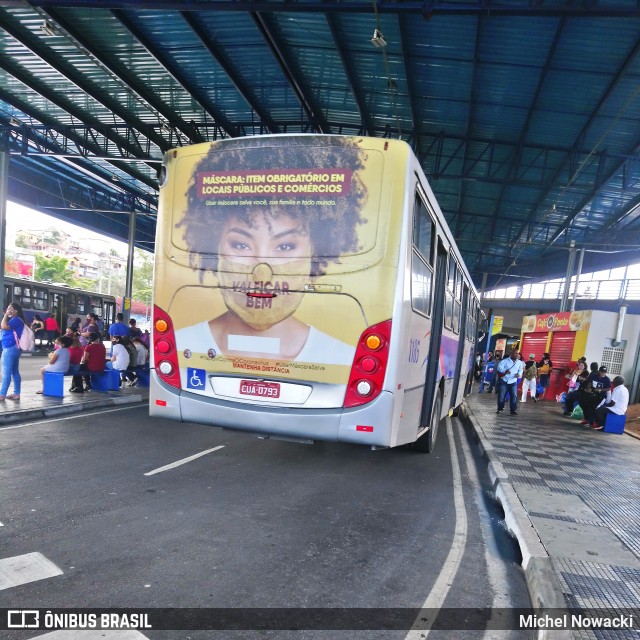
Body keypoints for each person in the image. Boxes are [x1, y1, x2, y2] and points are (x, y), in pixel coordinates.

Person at [175, 136, 367, 364]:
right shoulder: (181, 344)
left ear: (314, 253)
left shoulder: (344, 357)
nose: (261, 274)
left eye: (285, 246)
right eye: (241, 245)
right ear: (214, 246)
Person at [0, 302, 27, 401]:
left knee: (6, 372)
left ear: (16, 311)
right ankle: (16, 393)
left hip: (10, 348)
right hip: (14, 348)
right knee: (14, 371)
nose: (8, 310)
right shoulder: (16, 320)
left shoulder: (16, 320)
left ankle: (2, 394)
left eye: (10, 308)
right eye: (7, 308)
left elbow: (4, 326)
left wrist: (6, 315)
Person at [496, 348, 525, 415]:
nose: (516, 355)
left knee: (514, 396)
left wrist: (519, 374)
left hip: (513, 381)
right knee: (501, 396)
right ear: (511, 354)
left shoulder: (519, 363)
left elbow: (521, 370)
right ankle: (500, 408)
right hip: (504, 381)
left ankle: (513, 410)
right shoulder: (504, 361)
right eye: (515, 353)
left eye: (517, 353)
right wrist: (505, 371)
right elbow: (499, 368)